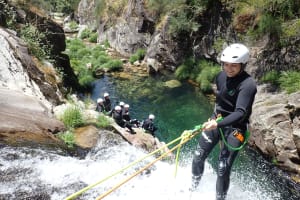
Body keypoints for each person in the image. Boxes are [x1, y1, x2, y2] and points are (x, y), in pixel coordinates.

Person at [191, 43, 257, 200]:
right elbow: (220, 100)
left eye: (234, 65)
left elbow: (240, 112)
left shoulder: (248, 84)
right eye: (226, 64)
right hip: (218, 120)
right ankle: (192, 189)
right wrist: (214, 117)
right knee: (198, 155)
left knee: (222, 168)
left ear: (243, 64)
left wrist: (217, 123)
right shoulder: (220, 76)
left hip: (236, 128)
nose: (229, 69)